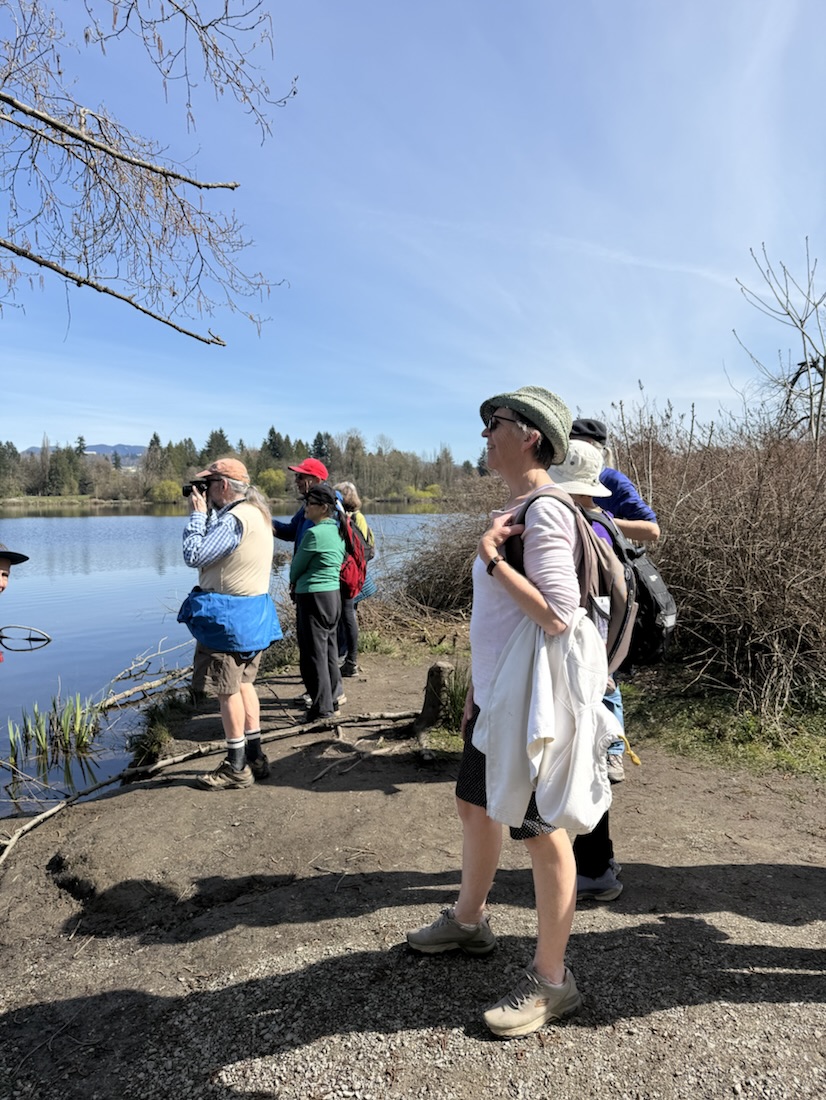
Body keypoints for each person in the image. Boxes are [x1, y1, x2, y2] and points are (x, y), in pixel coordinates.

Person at [407, 386, 616, 1040]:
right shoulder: (517, 508)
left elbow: (556, 614)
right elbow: (499, 621)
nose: (483, 435)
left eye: (492, 423)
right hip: (498, 697)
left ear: (529, 435)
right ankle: (470, 922)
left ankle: (553, 981)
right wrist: (475, 688)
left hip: (529, 709)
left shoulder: (546, 511)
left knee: (540, 833)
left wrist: (493, 559)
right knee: (474, 804)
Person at [549, 440, 627, 904]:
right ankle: (598, 863)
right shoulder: (604, 522)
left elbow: (569, 610)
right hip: (601, 664)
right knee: (589, 764)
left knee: (581, 766)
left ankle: (594, 869)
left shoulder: (579, 528)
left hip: (583, 669)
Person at [178, 458, 282, 791]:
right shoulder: (257, 513)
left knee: (227, 691)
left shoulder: (234, 520)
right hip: (254, 616)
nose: (203, 492)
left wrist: (197, 515)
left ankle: (236, 767)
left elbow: (194, 554)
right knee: (245, 685)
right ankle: (255, 756)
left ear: (223, 485)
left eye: (207, 485)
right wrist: (209, 513)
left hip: (229, 620)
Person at [569, 418, 660, 788]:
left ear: (598, 448)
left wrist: (600, 519)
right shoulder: (558, 478)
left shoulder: (612, 481)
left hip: (605, 595)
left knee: (605, 675)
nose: (573, 450)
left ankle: (614, 752)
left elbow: (651, 530)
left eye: (580, 443)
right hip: (572, 589)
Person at [290, 482, 346, 720]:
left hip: (312, 597)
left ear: (323, 508)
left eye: (309, 504)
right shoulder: (338, 530)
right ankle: (331, 700)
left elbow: (296, 567)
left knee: (313, 655)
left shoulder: (314, 534)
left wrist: (293, 581)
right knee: (329, 651)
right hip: (333, 596)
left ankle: (322, 709)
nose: (305, 508)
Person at [569, 419, 660, 543]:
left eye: (570, 444)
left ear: (588, 445)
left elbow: (652, 530)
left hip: (602, 553)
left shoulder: (614, 481)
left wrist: (600, 522)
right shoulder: (561, 477)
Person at [333, 481, 376, 677]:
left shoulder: (356, 518)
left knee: (348, 615)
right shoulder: (348, 516)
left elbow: (362, 548)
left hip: (354, 576)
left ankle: (348, 659)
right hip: (353, 575)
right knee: (346, 616)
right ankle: (345, 657)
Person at [273, 457, 329, 549]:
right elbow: (291, 532)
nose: (296, 481)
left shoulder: (331, 504)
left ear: (317, 480)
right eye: (296, 476)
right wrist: (265, 521)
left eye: (301, 477)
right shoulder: (308, 504)